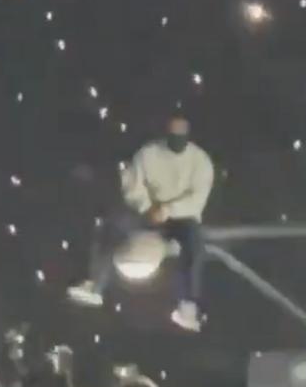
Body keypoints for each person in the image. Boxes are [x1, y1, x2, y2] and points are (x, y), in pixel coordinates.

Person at [67, 114, 216, 332]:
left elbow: (197, 199)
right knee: (112, 225)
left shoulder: (200, 161)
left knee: (194, 243)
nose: (177, 140)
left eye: (181, 136)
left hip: (180, 218)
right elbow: (132, 186)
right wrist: (148, 207)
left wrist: (168, 210)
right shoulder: (147, 155)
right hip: (146, 213)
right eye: (173, 135)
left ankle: (188, 304)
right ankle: (94, 285)